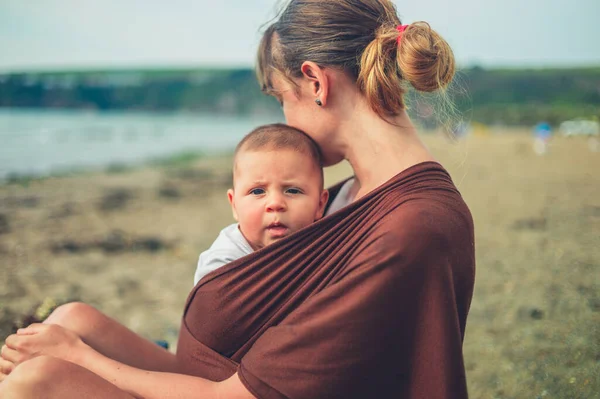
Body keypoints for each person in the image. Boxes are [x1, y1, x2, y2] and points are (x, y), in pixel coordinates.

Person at [0, 1, 475, 398]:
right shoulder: (354, 193)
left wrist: (78, 358)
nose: (285, 122)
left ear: (315, 82)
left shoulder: (409, 228)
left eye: (281, 98)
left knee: (41, 376)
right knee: (70, 318)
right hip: (209, 375)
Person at [193, 123, 329, 286]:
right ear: (234, 205)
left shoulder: (323, 248)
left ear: (320, 204)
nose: (275, 204)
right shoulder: (223, 263)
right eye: (258, 192)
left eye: (292, 191)